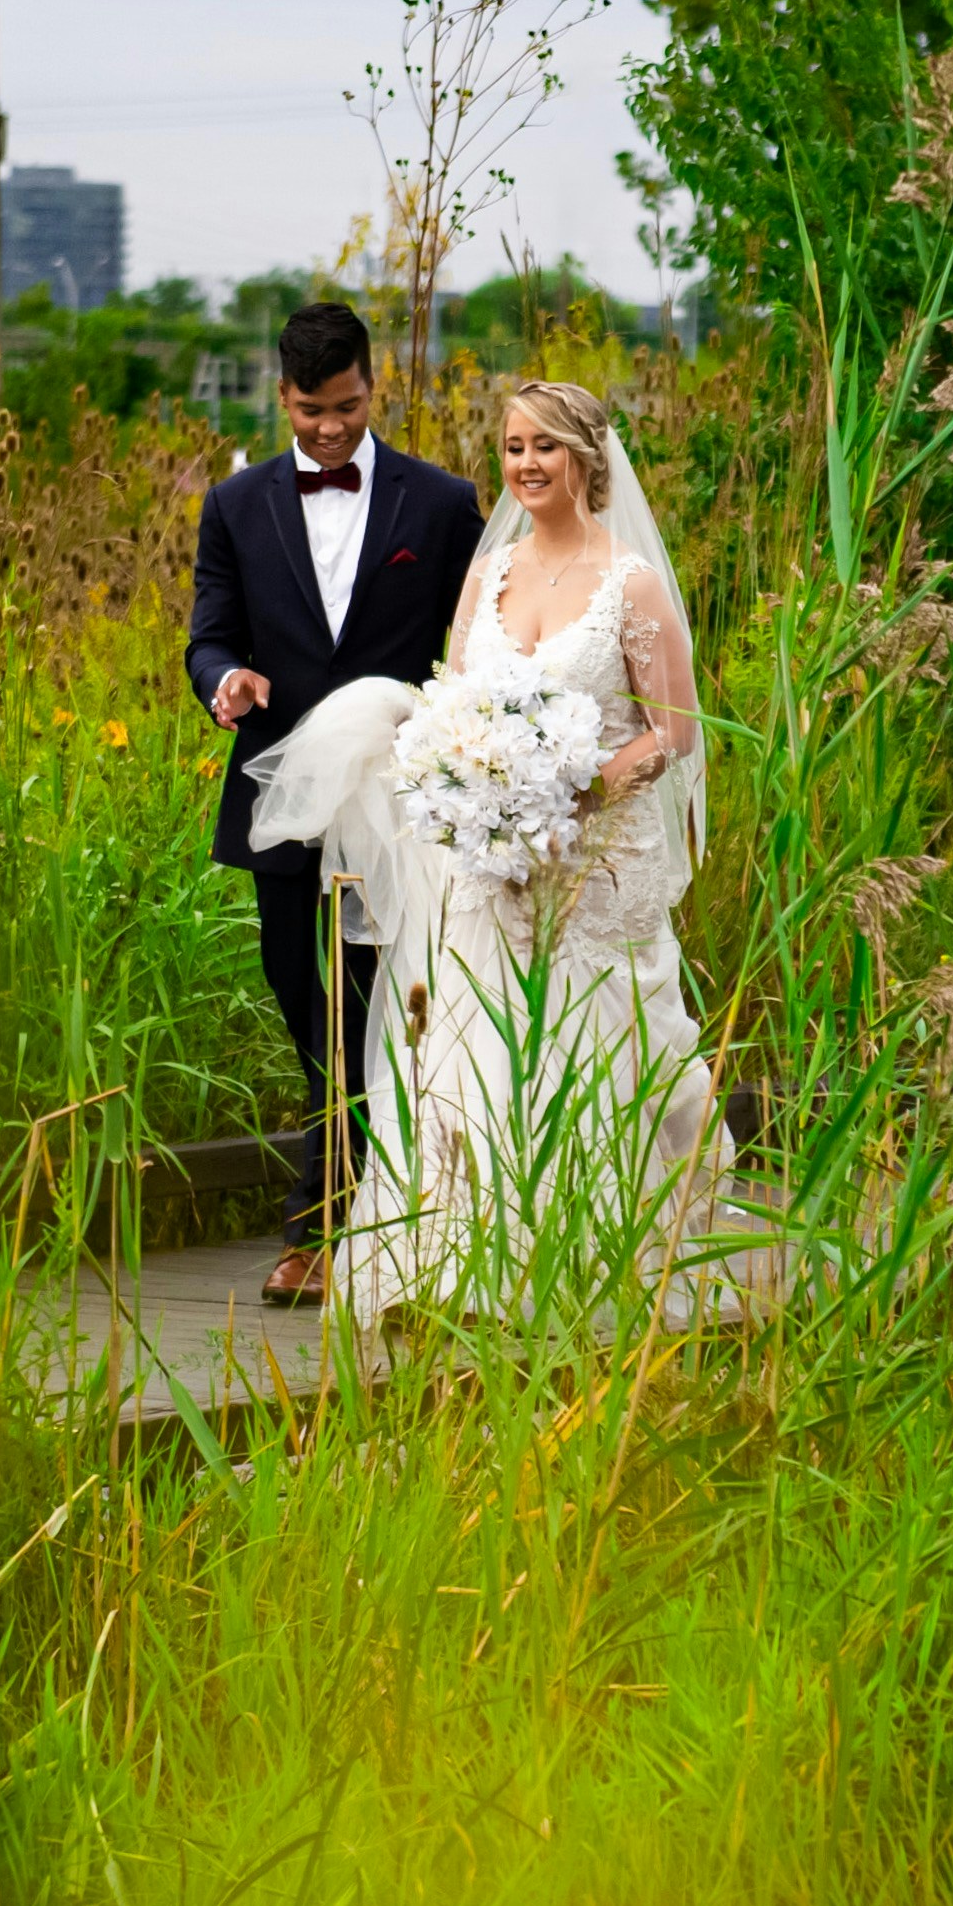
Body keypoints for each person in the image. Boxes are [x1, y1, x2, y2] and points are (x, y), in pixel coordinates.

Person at [241, 376, 722, 1328]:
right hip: (490, 867)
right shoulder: (488, 574)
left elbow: (673, 731)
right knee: (471, 1047)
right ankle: (463, 1267)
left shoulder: (630, 582)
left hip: (593, 863)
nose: (526, 465)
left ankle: (593, 1254)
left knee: (596, 1041)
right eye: (513, 448)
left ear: (587, 458)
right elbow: (457, 704)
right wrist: (468, 781)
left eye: (545, 447)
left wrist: (577, 791)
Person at [183, 301, 487, 1306]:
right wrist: (225, 681)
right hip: (282, 800)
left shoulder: (440, 504)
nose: (328, 429)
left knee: (367, 1005)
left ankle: (319, 1231)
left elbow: (476, 646)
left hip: (398, 806)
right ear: (283, 396)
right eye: (310, 410)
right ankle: (359, 1204)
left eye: (346, 408)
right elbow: (209, 635)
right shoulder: (234, 506)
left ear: (372, 389)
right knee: (302, 999)